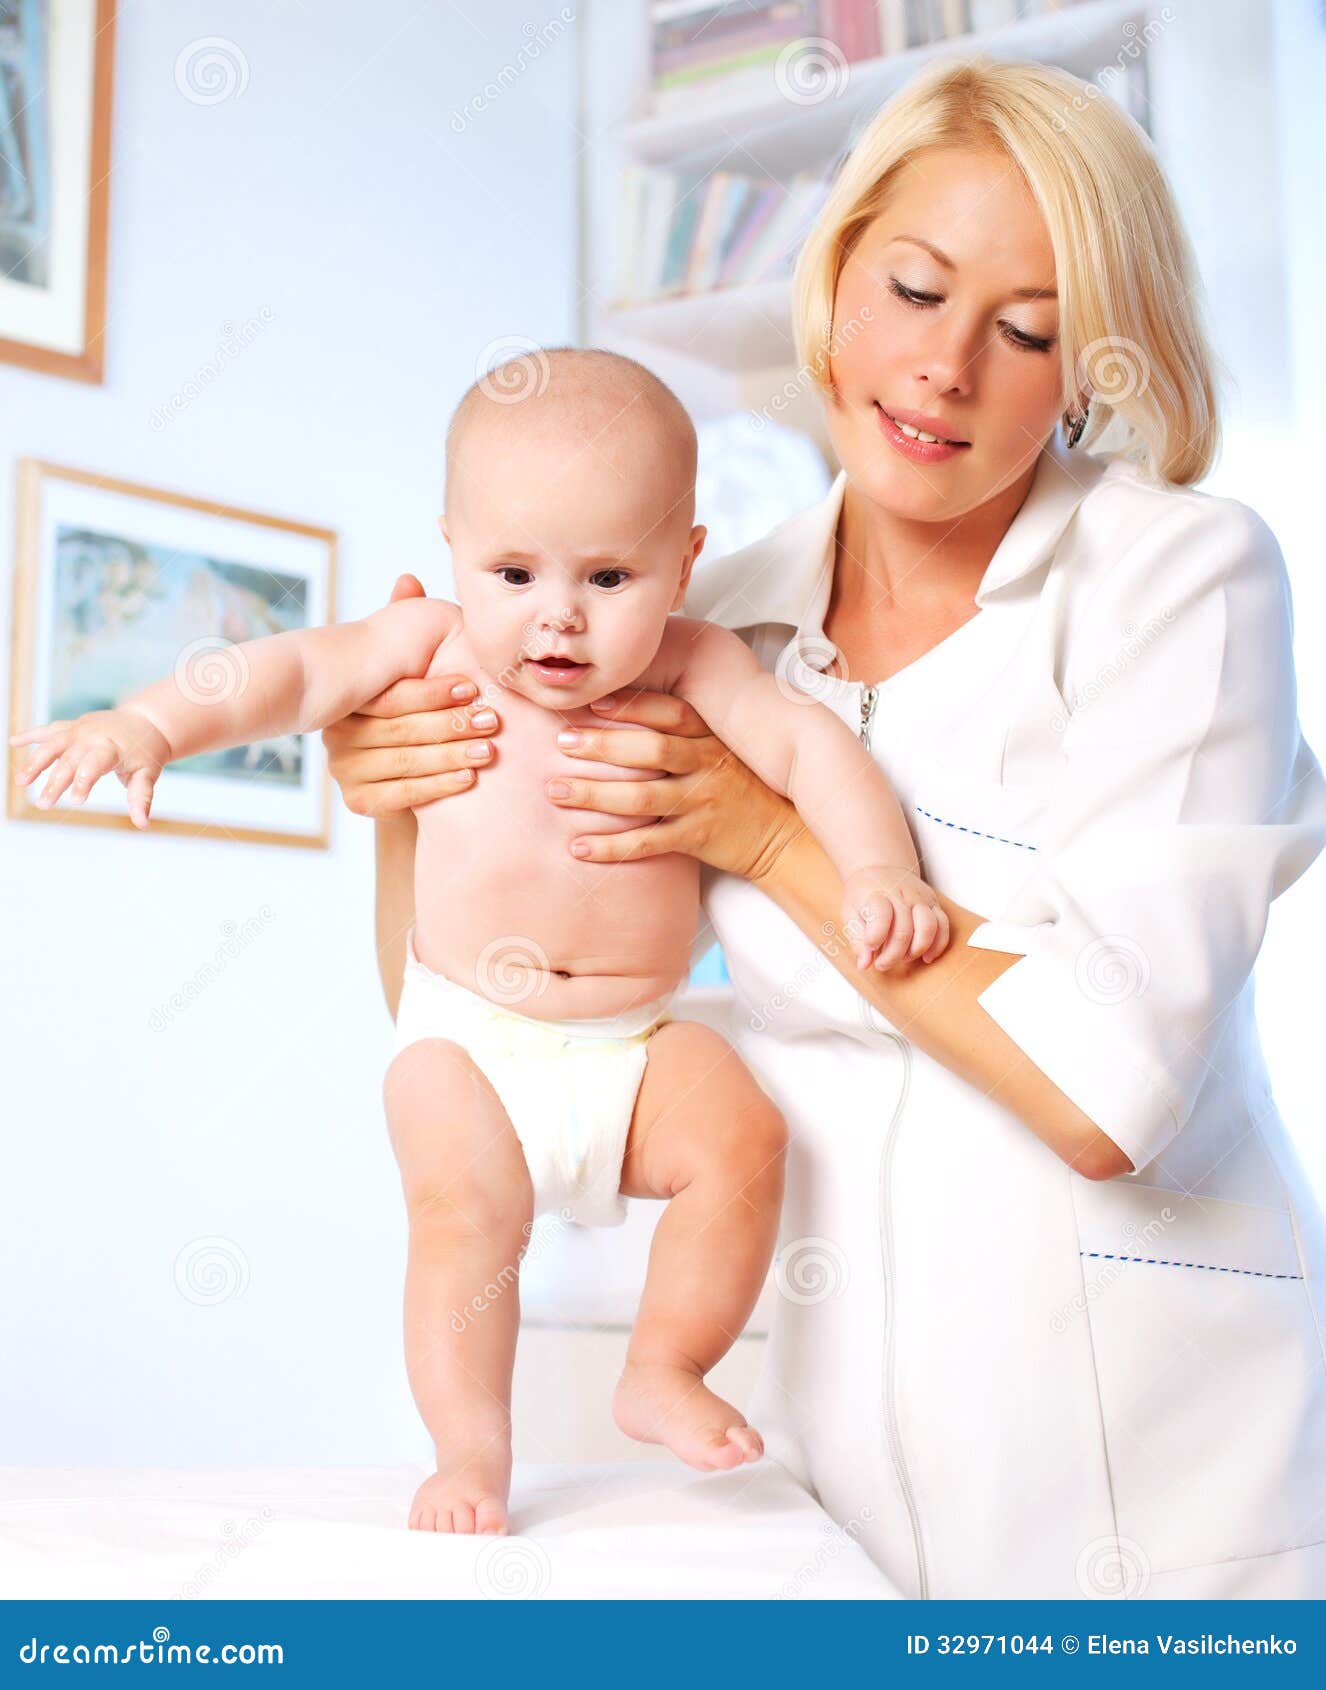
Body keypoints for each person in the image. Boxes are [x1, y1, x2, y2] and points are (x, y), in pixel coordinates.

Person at [322, 57, 1326, 1597]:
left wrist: (769, 834)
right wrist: (405, 785)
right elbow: (471, 993)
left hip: (1153, 1473)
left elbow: (1106, 1091)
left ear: (1087, 364)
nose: (943, 370)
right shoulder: (699, 611)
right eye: (912, 289)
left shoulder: (1181, 579)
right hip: (824, 1460)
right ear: (834, 275)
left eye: (1027, 330)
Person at [9, 349, 953, 1539]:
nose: (556, 613)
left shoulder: (699, 664)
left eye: (610, 574)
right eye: (513, 570)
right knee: (464, 1216)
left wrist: (877, 869)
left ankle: (663, 1363)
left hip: (634, 1042)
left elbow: (816, 754)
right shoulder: (431, 645)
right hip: (467, 1034)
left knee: (746, 1139)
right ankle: (470, 1449)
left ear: (685, 565)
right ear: (453, 547)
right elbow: (288, 672)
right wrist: (149, 722)